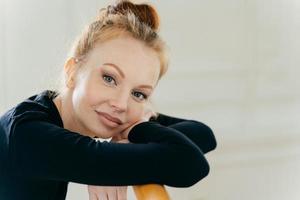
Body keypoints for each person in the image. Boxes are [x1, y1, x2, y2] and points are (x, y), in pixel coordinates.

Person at [0, 0, 217, 199]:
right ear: (72, 71)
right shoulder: (29, 135)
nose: (121, 104)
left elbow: (204, 135)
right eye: (109, 78)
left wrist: (126, 142)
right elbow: (190, 163)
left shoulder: (52, 109)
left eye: (138, 94)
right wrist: (114, 160)